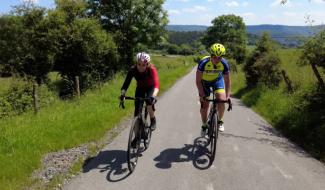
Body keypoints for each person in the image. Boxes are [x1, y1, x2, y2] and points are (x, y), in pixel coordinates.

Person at [196, 43, 231, 136]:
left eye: (220, 57)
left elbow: (227, 81)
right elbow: (198, 81)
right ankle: (204, 125)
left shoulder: (224, 63)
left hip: (217, 80)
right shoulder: (203, 63)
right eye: (215, 57)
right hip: (204, 82)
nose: (217, 60)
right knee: (204, 105)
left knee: (222, 100)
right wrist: (202, 95)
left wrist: (228, 96)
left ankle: (220, 121)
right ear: (211, 55)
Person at [120, 52, 159, 131]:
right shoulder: (132, 70)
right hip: (140, 88)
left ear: (147, 64)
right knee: (137, 112)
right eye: (139, 64)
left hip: (150, 88)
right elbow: (126, 84)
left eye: (143, 65)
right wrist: (123, 95)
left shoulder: (151, 69)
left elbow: (156, 85)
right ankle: (136, 137)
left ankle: (152, 119)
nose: (141, 67)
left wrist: (153, 96)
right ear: (136, 63)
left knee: (148, 103)